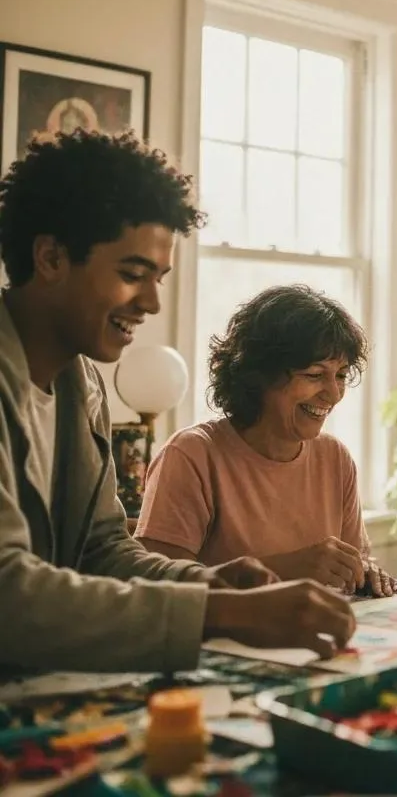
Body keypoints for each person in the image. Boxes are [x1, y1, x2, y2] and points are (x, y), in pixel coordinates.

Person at [0, 130, 356, 675]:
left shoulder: (83, 386)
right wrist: (217, 612)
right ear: (50, 257)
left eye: (159, 278)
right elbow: (10, 592)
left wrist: (208, 581)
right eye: (131, 274)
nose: (151, 301)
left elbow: (102, 552)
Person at [136, 285, 397, 598]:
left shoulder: (335, 458)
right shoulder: (191, 455)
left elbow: (352, 564)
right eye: (315, 375)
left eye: (341, 375)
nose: (333, 393)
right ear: (260, 374)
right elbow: (159, 588)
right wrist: (288, 569)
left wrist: (364, 571)